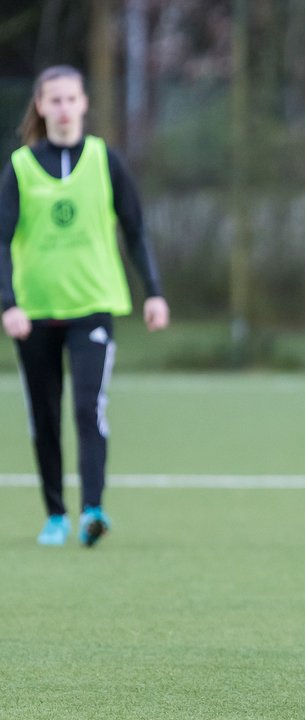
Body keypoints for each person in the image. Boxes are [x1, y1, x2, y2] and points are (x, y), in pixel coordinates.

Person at [1, 65, 169, 547]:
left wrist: (153, 291)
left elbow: (135, 229)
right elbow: (1, 239)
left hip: (93, 306)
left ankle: (92, 511)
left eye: (71, 99)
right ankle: (55, 514)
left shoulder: (104, 160)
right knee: (44, 414)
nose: (63, 108)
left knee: (87, 407)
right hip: (34, 313)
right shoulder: (20, 167)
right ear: (40, 106)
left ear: (84, 104)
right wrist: (8, 303)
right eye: (53, 100)